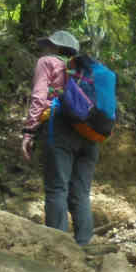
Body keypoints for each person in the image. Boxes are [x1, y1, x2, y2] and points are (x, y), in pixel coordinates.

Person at [21, 30, 99, 246]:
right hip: (90, 132)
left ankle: (58, 248)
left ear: (55, 47)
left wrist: (29, 131)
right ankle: (84, 246)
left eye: (48, 44)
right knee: (81, 192)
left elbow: (39, 96)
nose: (45, 48)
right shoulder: (85, 70)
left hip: (61, 127)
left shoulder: (47, 62)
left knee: (57, 188)